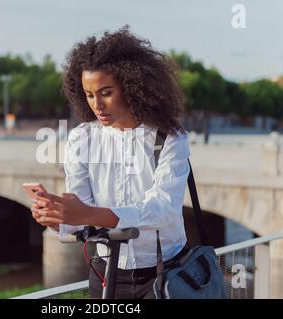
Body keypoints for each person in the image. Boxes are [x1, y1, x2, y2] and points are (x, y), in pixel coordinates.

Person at [30, 26, 190, 299]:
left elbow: (162, 209)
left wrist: (86, 214)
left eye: (105, 92)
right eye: (89, 95)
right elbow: (82, 214)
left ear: (131, 86)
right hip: (106, 274)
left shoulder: (169, 138)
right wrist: (57, 218)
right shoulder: (82, 138)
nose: (96, 105)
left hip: (165, 272)